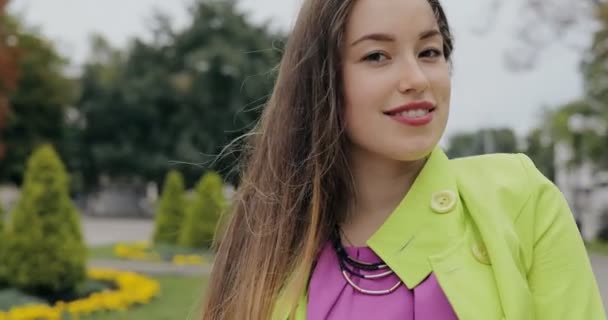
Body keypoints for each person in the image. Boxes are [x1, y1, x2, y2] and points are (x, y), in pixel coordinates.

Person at [201, 0, 606, 319]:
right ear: (322, 81)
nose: (416, 78)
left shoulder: (519, 199)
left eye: (430, 51)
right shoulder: (270, 245)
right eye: (377, 56)